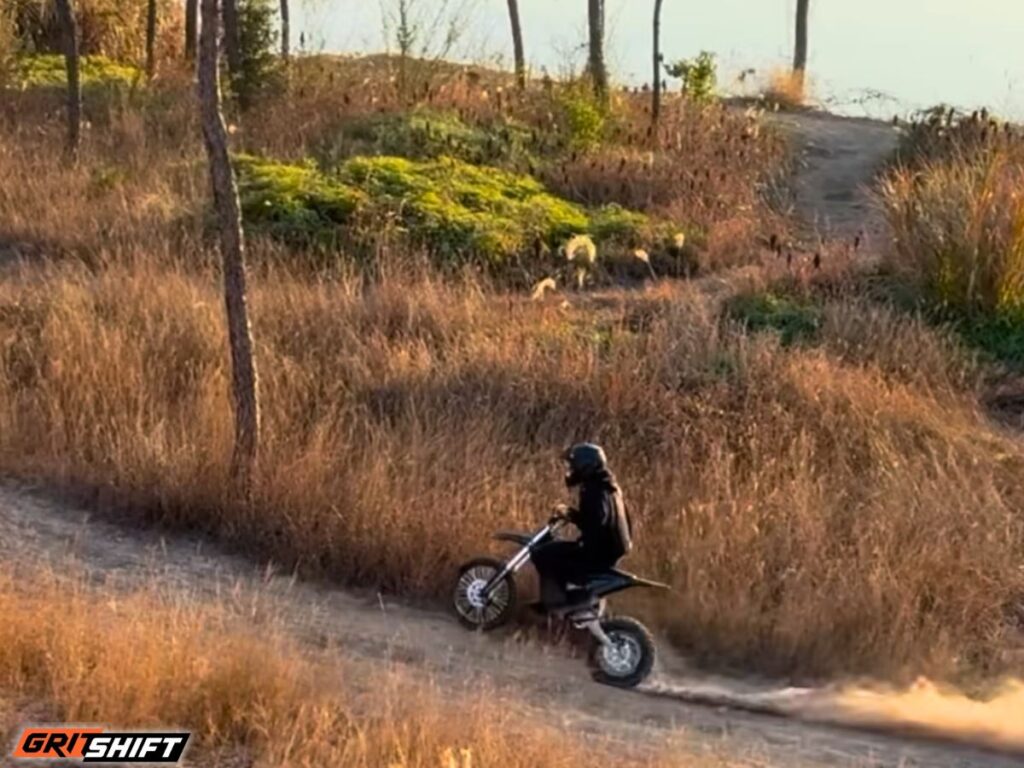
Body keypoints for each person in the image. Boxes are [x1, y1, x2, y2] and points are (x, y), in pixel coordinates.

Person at [531, 443, 632, 608]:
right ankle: (566, 598)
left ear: (585, 466)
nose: (571, 470)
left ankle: (558, 605)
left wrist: (571, 515)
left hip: (596, 553)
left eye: (574, 465)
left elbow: (596, 521)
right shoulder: (609, 486)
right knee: (556, 551)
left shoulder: (594, 489)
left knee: (543, 554)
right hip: (608, 550)